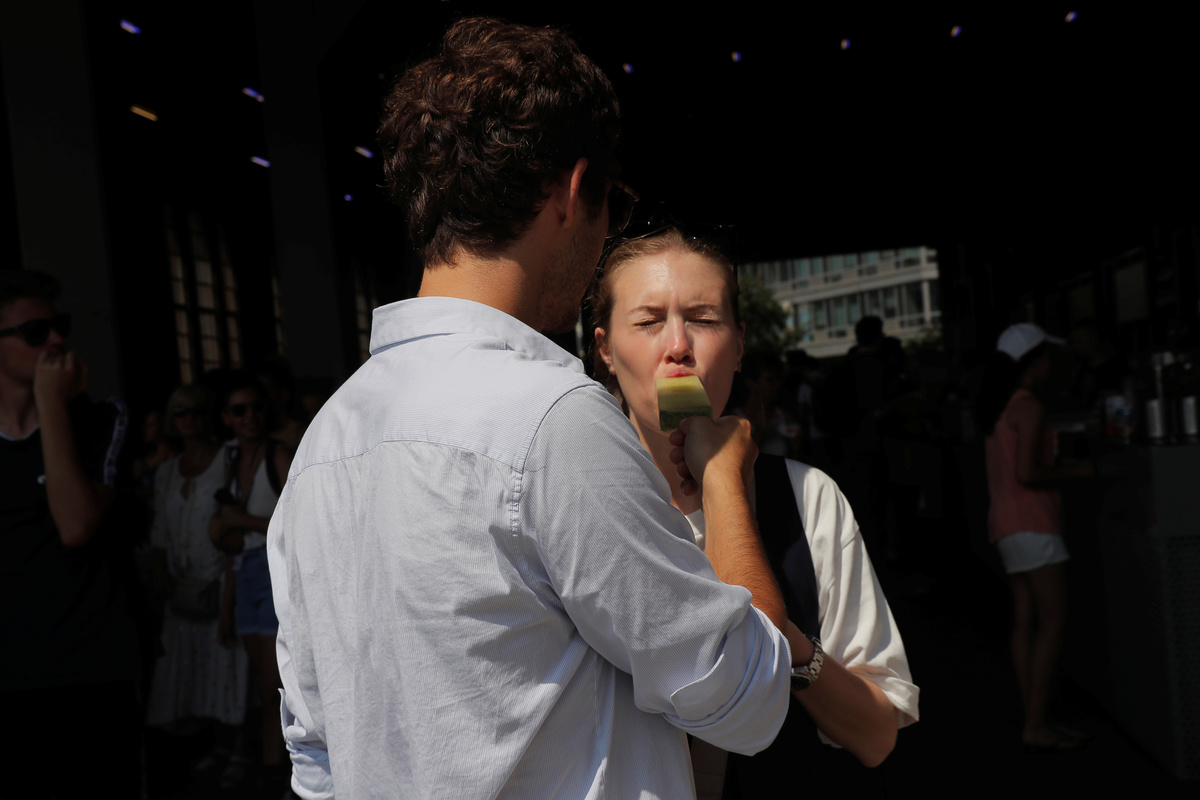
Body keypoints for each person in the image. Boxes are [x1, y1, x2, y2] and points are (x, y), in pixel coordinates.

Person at [268, 18, 799, 799]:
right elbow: (742, 696)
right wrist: (722, 476)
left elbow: (315, 752)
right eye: (614, 205)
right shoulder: (554, 420)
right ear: (574, 191)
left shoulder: (324, 443)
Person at [590, 229, 918, 795]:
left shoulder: (806, 497)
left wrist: (780, 639)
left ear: (739, 345)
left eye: (703, 319)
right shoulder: (571, 498)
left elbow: (876, 735)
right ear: (605, 350)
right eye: (648, 322)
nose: (678, 346)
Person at [0, 269, 140, 796]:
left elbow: (76, 524)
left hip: (90, 669)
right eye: (35, 332)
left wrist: (52, 407)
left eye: (59, 325)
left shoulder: (102, 417)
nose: (56, 340)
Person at [976, 322, 1093, 751]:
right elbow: (1028, 472)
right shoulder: (1029, 406)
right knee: (1053, 620)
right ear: (1034, 361)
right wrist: (1076, 470)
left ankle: (1033, 717)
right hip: (1033, 524)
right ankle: (1037, 723)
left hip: (1005, 525)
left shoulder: (998, 406)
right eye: (1046, 355)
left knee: (1025, 622)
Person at [144, 385, 248, 748]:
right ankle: (202, 749)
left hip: (219, 580)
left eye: (197, 411)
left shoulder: (227, 459)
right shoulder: (167, 471)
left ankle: (235, 750)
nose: (189, 419)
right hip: (180, 586)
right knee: (186, 674)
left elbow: (235, 523)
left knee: (226, 670)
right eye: (181, 412)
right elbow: (160, 533)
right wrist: (162, 586)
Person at [209, 373, 292, 790]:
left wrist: (239, 519)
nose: (249, 416)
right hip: (244, 573)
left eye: (256, 407)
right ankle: (271, 764)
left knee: (274, 683)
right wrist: (226, 607)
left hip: (273, 570)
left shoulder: (278, 455)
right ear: (226, 417)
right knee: (261, 679)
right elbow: (229, 543)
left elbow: (295, 523)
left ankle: (276, 769)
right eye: (239, 410)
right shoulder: (230, 462)